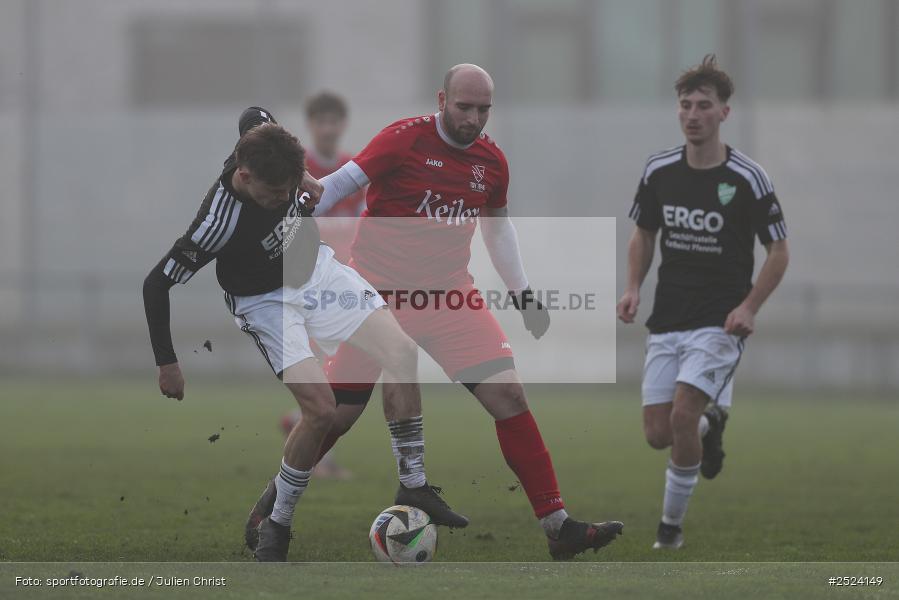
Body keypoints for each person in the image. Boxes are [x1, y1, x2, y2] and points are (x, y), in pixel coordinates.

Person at [248, 64, 624, 560]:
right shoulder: (403, 138)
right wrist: (287, 229)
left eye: (483, 110)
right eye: (464, 107)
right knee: (334, 416)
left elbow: (497, 228)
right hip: (378, 296)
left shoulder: (492, 161)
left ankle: (558, 527)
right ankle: (269, 509)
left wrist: (522, 293)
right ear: (442, 99)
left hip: (450, 298)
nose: (473, 119)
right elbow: (337, 186)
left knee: (509, 394)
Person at [142, 107, 467, 562]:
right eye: (275, 194)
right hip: (266, 303)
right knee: (320, 409)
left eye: (288, 189)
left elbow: (254, 113)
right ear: (245, 176)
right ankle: (278, 525)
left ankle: (413, 484)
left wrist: (305, 176)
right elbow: (156, 284)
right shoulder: (216, 223)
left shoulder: (263, 151)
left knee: (400, 351)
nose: (284, 199)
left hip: (315, 271)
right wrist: (167, 362)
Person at [616, 55, 790, 549]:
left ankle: (669, 532)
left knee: (681, 416)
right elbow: (643, 233)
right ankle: (712, 422)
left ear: (724, 113)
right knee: (657, 433)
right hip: (668, 316)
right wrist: (633, 287)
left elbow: (779, 251)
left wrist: (749, 307)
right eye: (686, 105)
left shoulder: (748, 178)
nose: (693, 114)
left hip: (720, 322)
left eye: (704, 105)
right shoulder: (660, 170)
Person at [278, 91, 365, 479]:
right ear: (311, 125)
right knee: (325, 372)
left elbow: (364, 222)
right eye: (321, 121)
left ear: (343, 124)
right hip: (308, 283)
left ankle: (297, 421)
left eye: (334, 121)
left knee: (336, 367)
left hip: (344, 282)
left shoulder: (352, 170)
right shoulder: (300, 171)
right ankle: (317, 459)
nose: (328, 129)